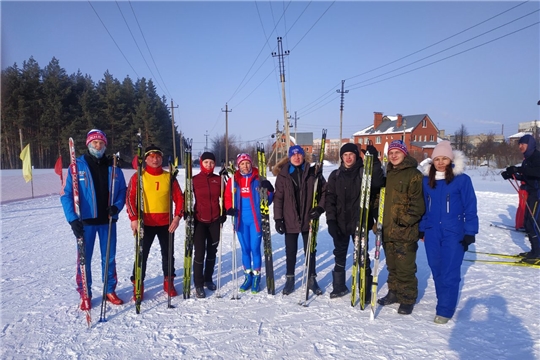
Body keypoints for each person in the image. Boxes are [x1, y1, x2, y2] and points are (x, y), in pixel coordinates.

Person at [61, 129, 127, 310]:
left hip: (108, 220)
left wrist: (117, 206)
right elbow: (66, 195)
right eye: (95, 143)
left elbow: (122, 190)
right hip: (86, 222)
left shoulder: (113, 166)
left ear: (105, 145)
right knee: (84, 260)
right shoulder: (77, 166)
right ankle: (85, 293)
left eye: (101, 143)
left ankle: (109, 289)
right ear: (89, 144)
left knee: (109, 257)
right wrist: (72, 219)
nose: (98, 146)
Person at [419, 140, 478, 324]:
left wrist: (470, 231)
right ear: (433, 160)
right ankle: (442, 300)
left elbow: (470, 206)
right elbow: (423, 207)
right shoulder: (426, 181)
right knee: (436, 268)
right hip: (432, 232)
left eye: (445, 158)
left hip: (454, 232)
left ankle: (445, 309)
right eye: (437, 158)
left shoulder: (462, 180)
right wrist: (422, 229)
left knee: (449, 271)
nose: (441, 162)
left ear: (451, 160)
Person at [325, 143, 384, 301]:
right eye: (345, 155)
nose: (348, 157)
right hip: (340, 222)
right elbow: (330, 199)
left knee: (362, 256)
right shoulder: (335, 175)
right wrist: (330, 221)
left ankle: (364, 287)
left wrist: (375, 161)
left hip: (360, 221)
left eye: (351, 154)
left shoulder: (364, 171)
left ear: (357, 156)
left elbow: (378, 181)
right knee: (339, 254)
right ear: (341, 157)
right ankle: (339, 286)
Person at [126, 144, 184, 300]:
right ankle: (138, 284)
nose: (155, 159)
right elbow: (130, 198)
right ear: (145, 159)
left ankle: (168, 281)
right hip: (145, 223)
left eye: (158, 156)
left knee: (168, 254)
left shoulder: (168, 176)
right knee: (141, 255)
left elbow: (179, 198)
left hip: (166, 222)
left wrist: (177, 217)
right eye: (151, 156)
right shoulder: (139, 176)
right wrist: (133, 219)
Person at [377, 140, 424, 315]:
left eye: (397, 152)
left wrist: (403, 220)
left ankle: (407, 298)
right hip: (388, 230)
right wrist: (379, 221)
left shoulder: (414, 175)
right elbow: (382, 199)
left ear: (404, 154)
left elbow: (417, 205)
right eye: (391, 153)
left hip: (405, 231)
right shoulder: (388, 173)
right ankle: (394, 293)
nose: (394, 156)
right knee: (392, 266)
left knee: (405, 268)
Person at [273, 145, 326, 296]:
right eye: (293, 155)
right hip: (289, 219)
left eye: (299, 154)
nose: (296, 157)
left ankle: (311, 279)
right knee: (290, 251)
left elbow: (324, 191)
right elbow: (278, 199)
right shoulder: (283, 175)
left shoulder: (312, 172)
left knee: (310, 250)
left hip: (308, 219)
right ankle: (290, 280)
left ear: (303, 156)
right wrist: (278, 219)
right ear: (289, 157)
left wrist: (320, 208)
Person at [224, 153, 274, 293]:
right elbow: (228, 196)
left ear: (251, 164)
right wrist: (229, 208)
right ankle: (248, 277)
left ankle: (257, 277)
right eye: (242, 164)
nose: (245, 166)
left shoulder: (258, 178)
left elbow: (268, 200)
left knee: (255, 248)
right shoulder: (234, 180)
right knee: (245, 249)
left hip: (255, 220)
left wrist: (270, 190)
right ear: (238, 165)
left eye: (247, 163)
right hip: (240, 221)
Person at [192, 152, 227, 298]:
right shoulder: (194, 180)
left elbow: (225, 198)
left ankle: (208, 279)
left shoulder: (218, 180)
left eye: (211, 162)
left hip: (214, 221)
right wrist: (187, 213)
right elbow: (186, 197)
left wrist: (223, 213)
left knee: (212, 252)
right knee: (200, 253)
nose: (209, 165)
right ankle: (199, 284)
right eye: (206, 162)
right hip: (199, 221)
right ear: (201, 163)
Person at [502, 134, 540, 261]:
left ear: (530, 145)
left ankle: (537, 253)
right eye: (519, 144)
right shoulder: (527, 159)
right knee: (531, 223)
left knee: (531, 223)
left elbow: (536, 172)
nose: (520, 146)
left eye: (522, 144)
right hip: (532, 193)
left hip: (538, 194)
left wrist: (519, 170)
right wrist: (512, 175)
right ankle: (535, 250)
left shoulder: (537, 157)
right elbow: (526, 176)